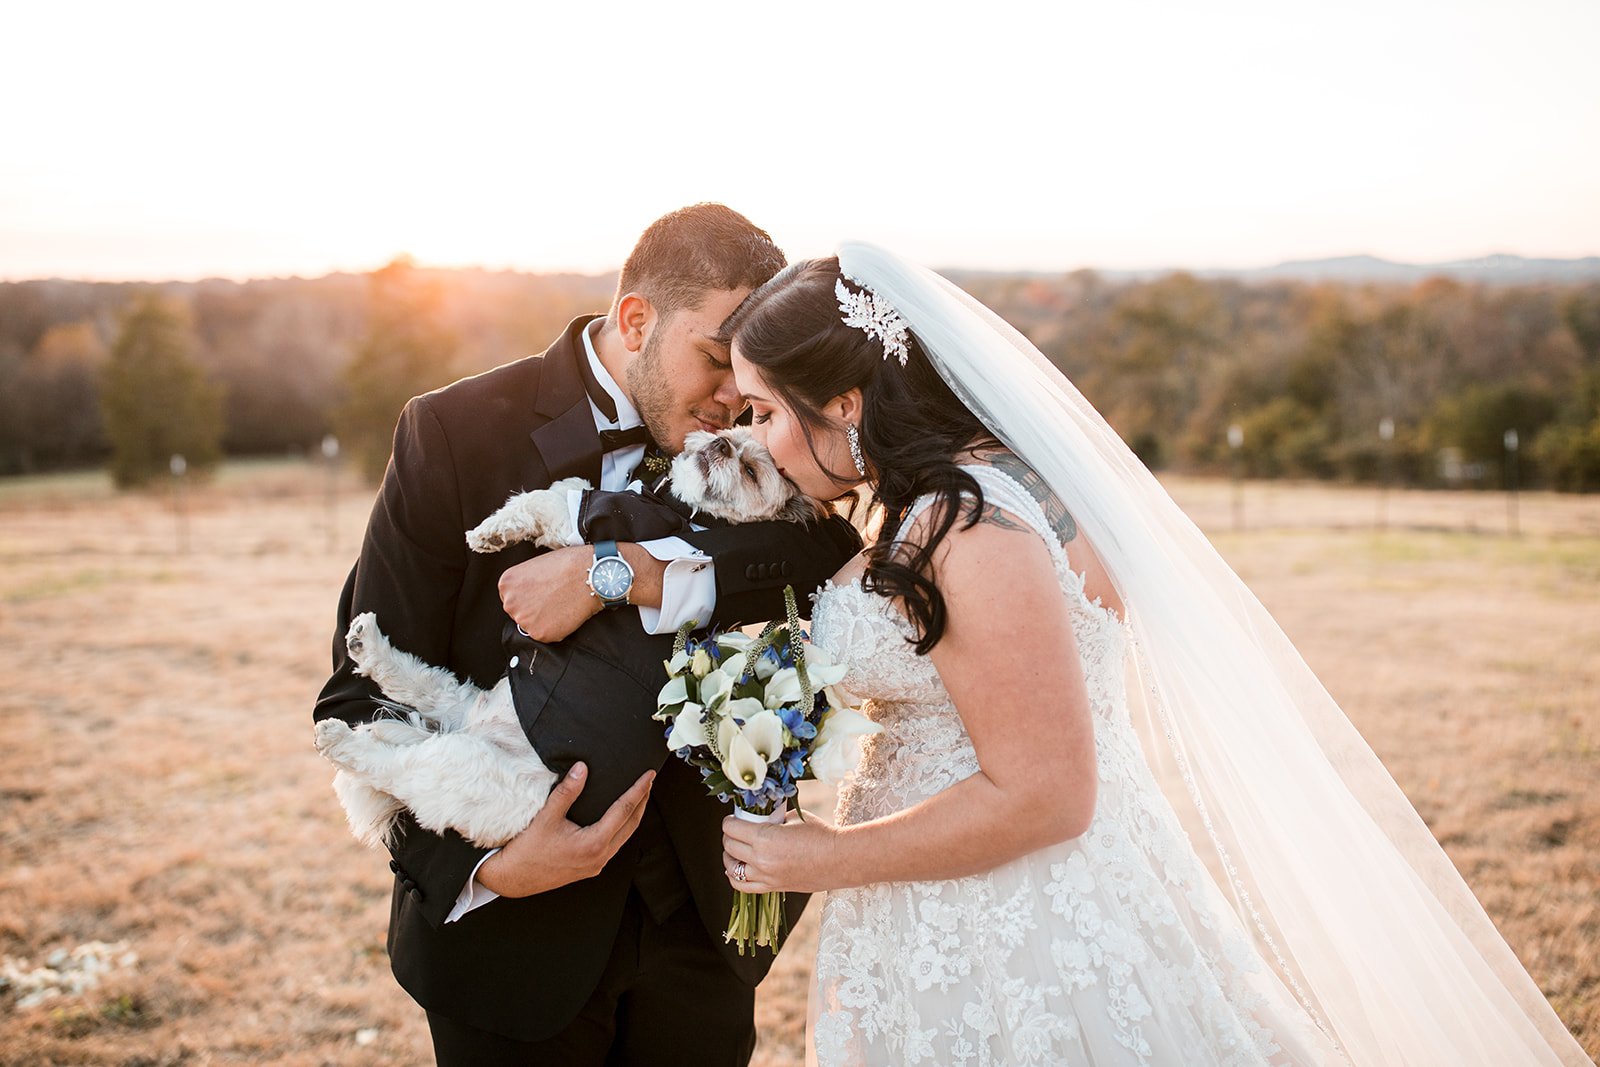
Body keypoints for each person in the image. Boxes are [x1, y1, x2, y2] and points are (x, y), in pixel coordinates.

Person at [717, 245, 1590, 1066]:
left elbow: (1048, 793)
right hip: (954, 907)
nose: (757, 438)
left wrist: (824, 857)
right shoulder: (972, 492)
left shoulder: (970, 524)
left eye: (762, 412)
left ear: (843, 401)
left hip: (1011, 927)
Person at [313, 204, 861, 1065]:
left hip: (701, 936)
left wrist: (623, 570)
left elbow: (828, 544)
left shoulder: (761, 430)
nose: (736, 395)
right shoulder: (453, 433)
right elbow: (361, 695)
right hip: (513, 947)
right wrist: (487, 873)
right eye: (717, 358)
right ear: (636, 320)